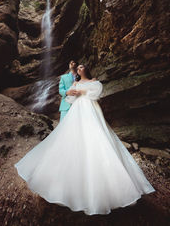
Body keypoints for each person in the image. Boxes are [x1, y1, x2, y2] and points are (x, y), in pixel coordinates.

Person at [14, 64, 156, 216]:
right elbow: (69, 99)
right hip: (77, 110)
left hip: (90, 109)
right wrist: (71, 91)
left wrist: (81, 90)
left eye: (82, 66)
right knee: (72, 138)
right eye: (78, 67)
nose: (79, 68)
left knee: (97, 136)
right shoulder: (75, 83)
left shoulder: (94, 82)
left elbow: (96, 93)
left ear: (86, 70)